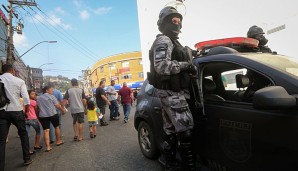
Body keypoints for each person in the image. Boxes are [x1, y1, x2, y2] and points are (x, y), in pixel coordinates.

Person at [148, 7, 197, 170]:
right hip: (172, 93)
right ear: (164, 23)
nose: (177, 24)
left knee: (170, 130)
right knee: (186, 131)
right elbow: (161, 67)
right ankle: (188, 167)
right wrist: (186, 65)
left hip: (171, 92)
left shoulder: (173, 42)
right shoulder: (164, 40)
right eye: (173, 21)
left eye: (179, 21)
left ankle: (168, 163)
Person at [0, 64, 33, 169]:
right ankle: (27, 158)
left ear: (2, 70)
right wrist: (27, 111)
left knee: (1, 140)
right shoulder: (19, 81)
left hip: (2, 112)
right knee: (23, 134)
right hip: (16, 111)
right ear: (12, 71)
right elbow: (26, 99)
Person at [37, 86, 66, 152]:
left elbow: (37, 107)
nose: (53, 91)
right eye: (51, 90)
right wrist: (63, 110)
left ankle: (48, 147)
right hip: (52, 114)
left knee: (46, 130)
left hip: (43, 116)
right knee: (56, 127)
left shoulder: (39, 98)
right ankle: (58, 141)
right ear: (47, 90)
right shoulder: (52, 96)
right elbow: (57, 105)